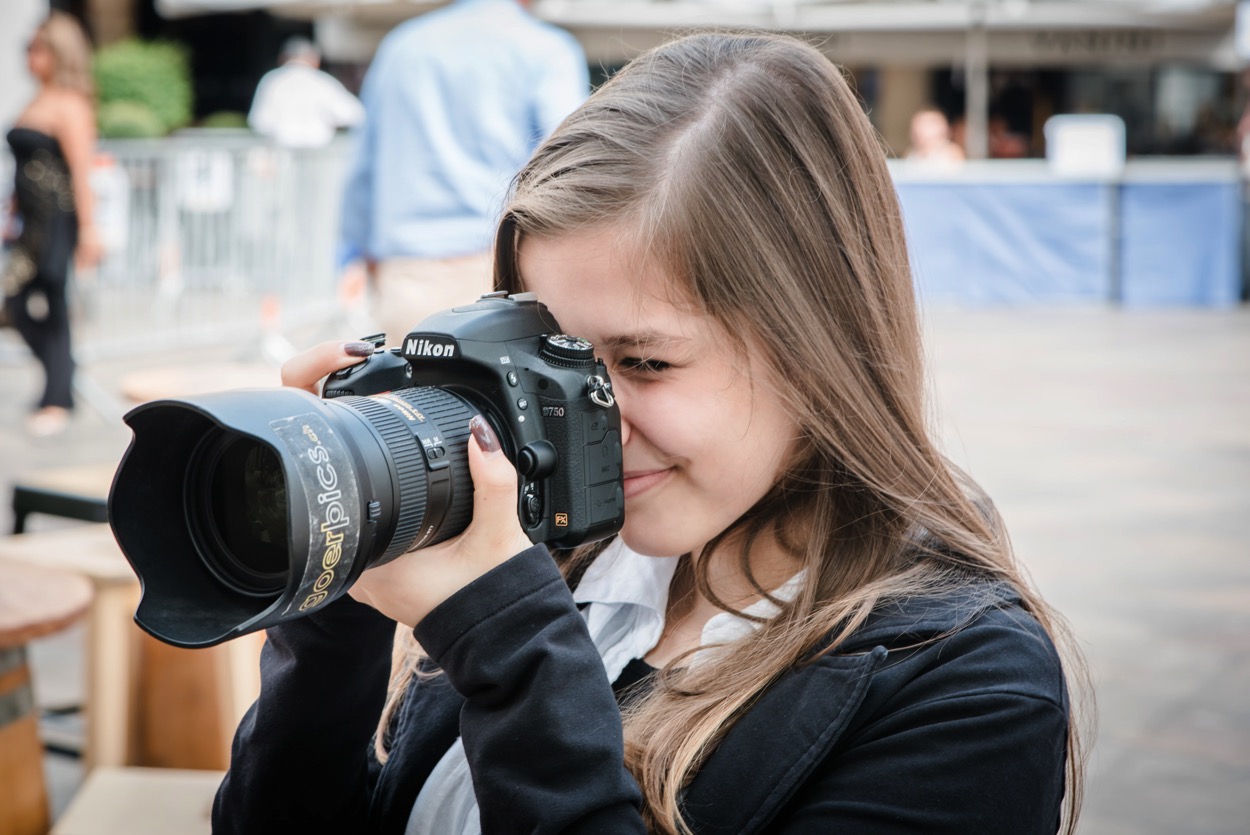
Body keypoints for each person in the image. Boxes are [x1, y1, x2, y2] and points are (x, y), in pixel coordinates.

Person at [214, 32, 1089, 834]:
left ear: (821, 343)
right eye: (549, 363)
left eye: (644, 363)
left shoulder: (967, 684)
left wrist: (513, 648)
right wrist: (334, 616)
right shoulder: (567, 553)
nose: (584, 423)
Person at [339, 0, 587, 348]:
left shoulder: (403, 45)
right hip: (504, 270)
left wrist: (356, 253)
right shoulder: (546, 48)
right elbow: (566, 158)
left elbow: (363, 166)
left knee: (410, 398)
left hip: (408, 269)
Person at [3, 11, 101, 437]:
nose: (29, 56)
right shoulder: (34, 100)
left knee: (54, 305)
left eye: (36, 48)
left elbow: (81, 171)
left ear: (57, 53)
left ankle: (57, 397)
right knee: (14, 302)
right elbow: (24, 168)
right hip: (28, 226)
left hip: (58, 222)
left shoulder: (70, 104)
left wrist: (91, 230)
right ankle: (63, 376)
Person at [247, 36, 364, 149]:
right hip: (317, 154)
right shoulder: (323, 81)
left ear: (282, 58)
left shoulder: (271, 81)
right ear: (315, 60)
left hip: (284, 154)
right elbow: (354, 114)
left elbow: (259, 122)